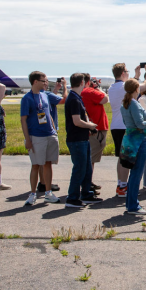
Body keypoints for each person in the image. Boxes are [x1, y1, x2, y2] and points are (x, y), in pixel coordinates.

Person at [19, 71, 65, 206]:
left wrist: (53, 131)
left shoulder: (45, 95)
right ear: (35, 82)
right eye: (44, 81)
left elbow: (48, 113)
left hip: (49, 134)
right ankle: (32, 194)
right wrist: (28, 139)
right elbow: (23, 120)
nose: (46, 83)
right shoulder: (27, 98)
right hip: (36, 136)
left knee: (48, 164)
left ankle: (48, 193)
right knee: (35, 165)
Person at [119, 78, 146, 214]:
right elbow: (140, 124)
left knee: (134, 173)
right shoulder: (134, 104)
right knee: (137, 173)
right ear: (137, 89)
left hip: (130, 140)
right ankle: (133, 206)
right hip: (139, 140)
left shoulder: (125, 103)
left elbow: (132, 120)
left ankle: (130, 203)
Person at [63, 73, 102, 209]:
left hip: (83, 138)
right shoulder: (74, 99)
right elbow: (76, 121)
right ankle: (72, 198)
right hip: (76, 140)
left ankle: (86, 193)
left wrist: (89, 127)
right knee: (79, 168)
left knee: (86, 168)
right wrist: (90, 125)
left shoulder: (77, 97)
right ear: (82, 83)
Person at [81, 73, 110, 194]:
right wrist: (97, 88)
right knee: (91, 158)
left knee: (90, 158)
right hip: (96, 128)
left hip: (92, 127)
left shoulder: (83, 92)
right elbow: (105, 99)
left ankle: (88, 181)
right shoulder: (89, 91)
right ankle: (86, 185)